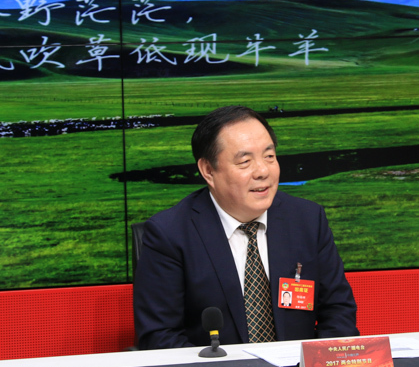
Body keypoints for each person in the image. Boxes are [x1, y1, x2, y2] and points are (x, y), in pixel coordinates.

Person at [133, 105, 358, 349]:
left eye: (269, 156)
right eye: (245, 161)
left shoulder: (307, 220)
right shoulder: (170, 234)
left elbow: (338, 311)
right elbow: (160, 336)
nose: (262, 171)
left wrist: (319, 365)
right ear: (208, 170)